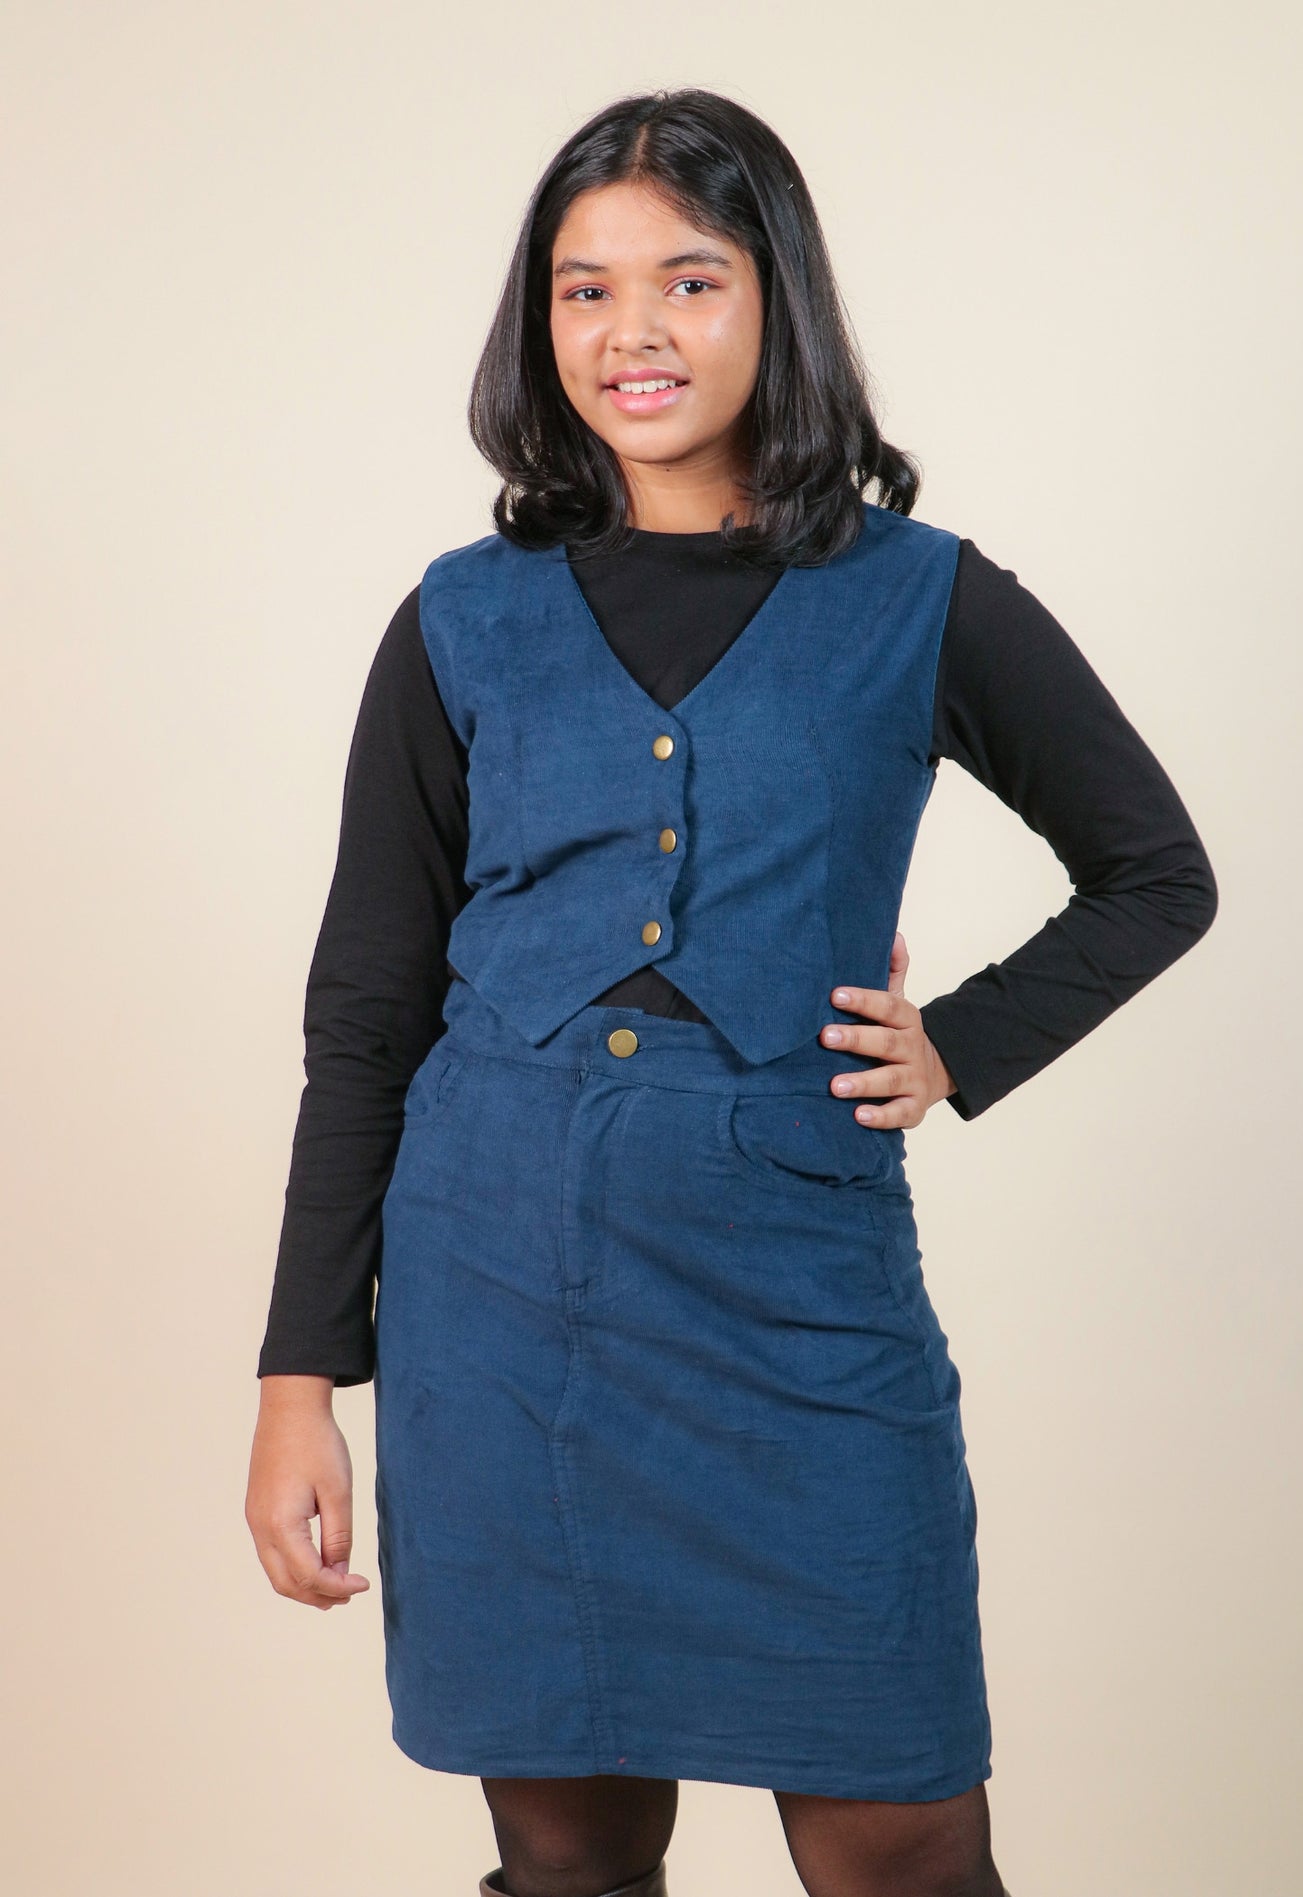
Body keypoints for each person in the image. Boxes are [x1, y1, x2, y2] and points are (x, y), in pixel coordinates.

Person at [245, 87, 1217, 1897]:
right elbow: (367, 1010)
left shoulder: (918, 597)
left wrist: (963, 1046)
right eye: (582, 290)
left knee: (905, 1842)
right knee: (571, 1857)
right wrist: (305, 1368)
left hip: (795, 1301)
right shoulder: (459, 618)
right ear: (540, 328)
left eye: (686, 281)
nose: (632, 334)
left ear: (777, 298)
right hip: (494, 1301)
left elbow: (1157, 872)